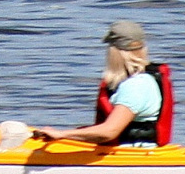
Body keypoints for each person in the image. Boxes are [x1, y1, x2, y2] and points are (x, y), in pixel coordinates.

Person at [30, 19, 174, 146]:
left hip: (130, 154)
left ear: (114, 52)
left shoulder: (135, 86)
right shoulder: (144, 80)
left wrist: (62, 134)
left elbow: (110, 131)